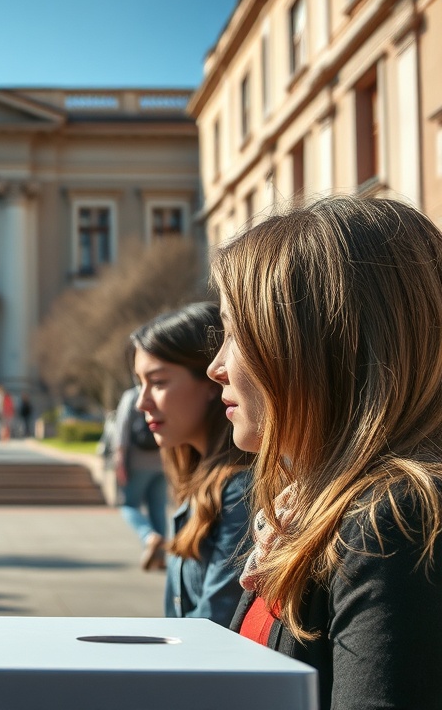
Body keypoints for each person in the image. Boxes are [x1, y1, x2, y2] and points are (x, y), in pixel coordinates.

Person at [208, 196, 442, 708]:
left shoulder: (394, 518)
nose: (217, 366)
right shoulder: (311, 505)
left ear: (317, 346)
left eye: (234, 332)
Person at [131, 302, 254, 627]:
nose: (141, 402)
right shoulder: (201, 479)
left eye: (157, 383)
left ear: (211, 383)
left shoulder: (241, 492)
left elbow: (211, 628)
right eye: (139, 384)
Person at [111, 385, 168, 570]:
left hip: (137, 462)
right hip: (162, 461)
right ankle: (160, 558)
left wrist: (119, 460)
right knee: (158, 510)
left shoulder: (133, 395)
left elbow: (121, 431)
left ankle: (149, 537)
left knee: (127, 505)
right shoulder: (163, 390)